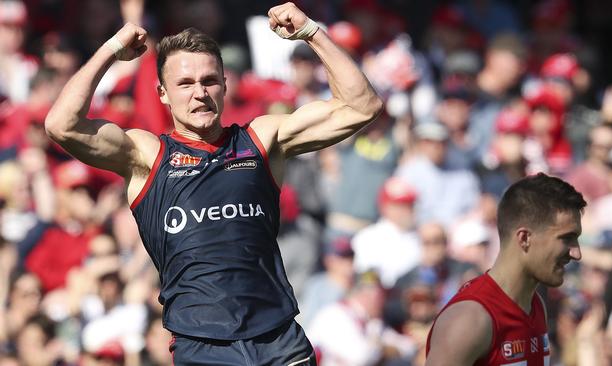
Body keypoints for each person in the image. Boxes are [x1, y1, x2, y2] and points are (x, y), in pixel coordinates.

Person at [44, 2, 383, 364]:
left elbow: (361, 106)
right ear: (162, 93)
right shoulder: (147, 155)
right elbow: (62, 125)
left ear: (224, 84)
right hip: (203, 347)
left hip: (279, 340)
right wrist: (112, 49)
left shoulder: (261, 140)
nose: (199, 93)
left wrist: (310, 31)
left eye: (209, 81)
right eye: (185, 84)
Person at [425, 172, 586, 365]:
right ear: (524, 238)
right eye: (566, 238)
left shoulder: (535, 305)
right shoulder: (469, 319)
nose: (577, 253)